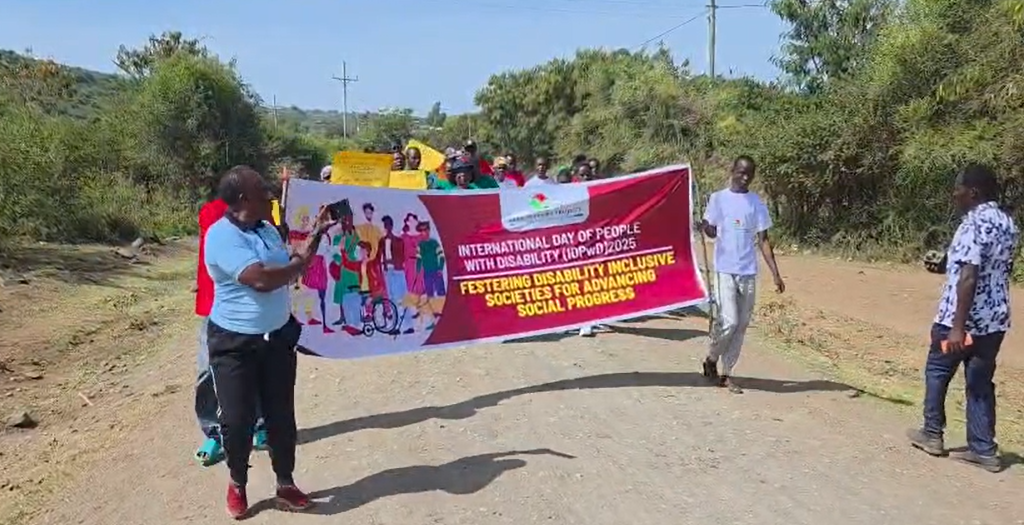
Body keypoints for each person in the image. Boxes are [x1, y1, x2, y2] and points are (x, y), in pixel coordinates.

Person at [204, 165, 333, 518]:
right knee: (237, 419)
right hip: (234, 344)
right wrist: (299, 264)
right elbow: (261, 280)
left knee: (281, 416)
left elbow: (289, 263)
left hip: (276, 338)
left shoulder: (267, 230)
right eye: (262, 188)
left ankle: (285, 484)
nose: (270, 193)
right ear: (243, 198)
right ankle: (237, 482)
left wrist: (316, 235)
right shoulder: (221, 236)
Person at [907, 164, 1018, 472]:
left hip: (958, 321)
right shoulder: (1007, 222)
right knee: (980, 383)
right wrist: (946, 265)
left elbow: (969, 277)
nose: (954, 194)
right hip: (993, 321)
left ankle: (932, 433)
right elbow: (990, 266)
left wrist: (957, 327)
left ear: (973, 192)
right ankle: (984, 449)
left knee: (937, 370)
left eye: (958, 189)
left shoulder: (972, 222)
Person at [194, 190, 269, 466]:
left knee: (256, 366)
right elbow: (205, 254)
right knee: (207, 371)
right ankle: (214, 432)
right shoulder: (209, 211)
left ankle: (260, 425)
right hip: (214, 306)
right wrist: (199, 283)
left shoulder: (262, 212)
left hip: (250, 305)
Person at [699, 155, 785, 394]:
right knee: (730, 321)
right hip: (724, 270)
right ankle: (712, 357)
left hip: (748, 271)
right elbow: (711, 231)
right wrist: (705, 226)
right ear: (732, 171)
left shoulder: (756, 203)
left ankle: (726, 373)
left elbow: (763, 240)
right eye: (741, 172)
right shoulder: (718, 199)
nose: (745, 178)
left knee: (741, 325)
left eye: (749, 174)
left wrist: (776, 274)